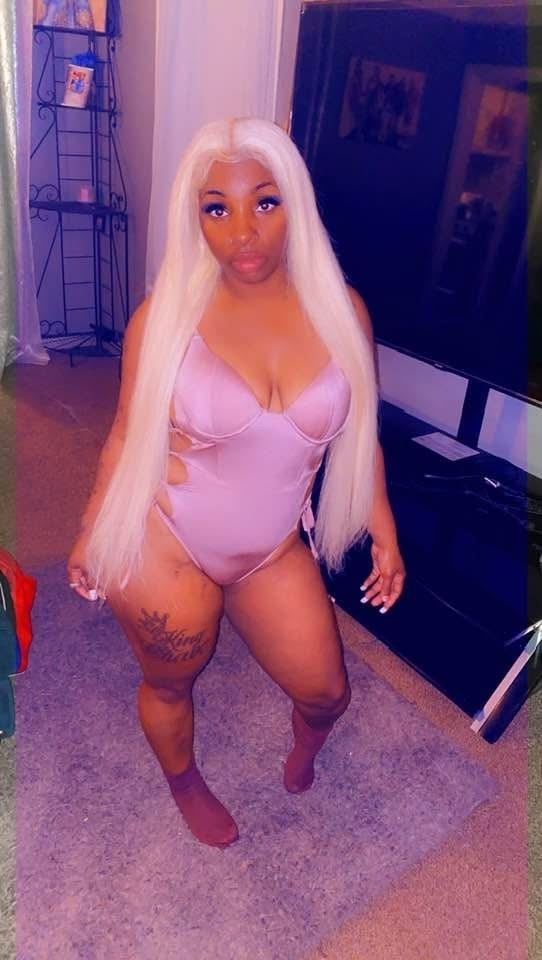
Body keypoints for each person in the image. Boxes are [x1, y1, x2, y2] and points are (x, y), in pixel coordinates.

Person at [67, 117, 405, 849]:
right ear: (194, 218)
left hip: (270, 548)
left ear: (296, 206)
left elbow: (361, 431)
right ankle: (184, 780)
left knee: (327, 692)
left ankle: (305, 749)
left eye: (266, 202)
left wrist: (382, 523)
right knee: (171, 680)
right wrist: (93, 528)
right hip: (169, 540)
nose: (242, 231)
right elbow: (124, 432)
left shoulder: (344, 312)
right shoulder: (163, 321)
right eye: (216, 207)